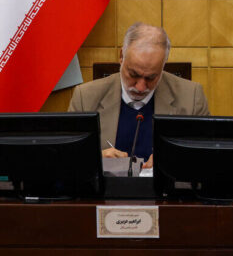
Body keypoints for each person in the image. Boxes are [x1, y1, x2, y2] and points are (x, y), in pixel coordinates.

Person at [69, 22, 209, 168]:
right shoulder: (85, 97)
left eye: (151, 78)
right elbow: (69, 159)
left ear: (163, 66)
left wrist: (173, 160)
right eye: (133, 74)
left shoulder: (191, 97)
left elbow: (206, 160)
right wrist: (96, 159)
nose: (140, 87)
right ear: (121, 57)